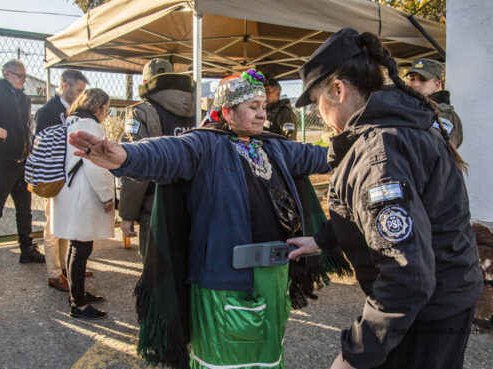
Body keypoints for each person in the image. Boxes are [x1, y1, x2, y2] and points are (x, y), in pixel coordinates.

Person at [68, 69, 331, 368]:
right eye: (253, 107)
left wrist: (356, 145)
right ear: (228, 112)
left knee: (268, 353)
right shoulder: (204, 145)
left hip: (274, 273)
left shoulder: (274, 146)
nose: (262, 115)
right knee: (222, 359)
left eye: (263, 107)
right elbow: (165, 151)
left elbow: (317, 156)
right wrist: (126, 157)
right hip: (222, 278)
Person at [288, 28, 483, 369]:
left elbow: (407, 275)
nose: (319, 116)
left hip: (427, 315)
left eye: (318, 102)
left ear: (338, 89)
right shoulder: (400, 125)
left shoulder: (379, 150)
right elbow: (378, 213)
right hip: (450, 295)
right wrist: (322, 239)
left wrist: (356, 355)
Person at [119, 58, 194, 258]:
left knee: (155, 277)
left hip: (156, 209)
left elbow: (134, 167)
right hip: (193, 205)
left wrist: (127, 214)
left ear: (145, 83)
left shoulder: (141, 112)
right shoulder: (198, 110)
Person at [51, 88, 115, 320]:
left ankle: (76, 294)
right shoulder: (90, 126)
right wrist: (108, 195)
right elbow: (95, 165)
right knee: (81, 248)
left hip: (70, 191)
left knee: (75, 245)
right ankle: (78, 305)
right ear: (98, 106)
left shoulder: (71, 121)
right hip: (83, 194)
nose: (106, 114)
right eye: (106, 108)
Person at [0, 59, 44, 276]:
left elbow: (27, 125)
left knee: (25, 210)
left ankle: (26, 250)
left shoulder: (25, 99)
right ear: (7, 74)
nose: (24, 80)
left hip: (22, 161)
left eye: (25, 76)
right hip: (2, 161)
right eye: (20, 76)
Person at [34, 69, 89, 291]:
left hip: (70, 176)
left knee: (65, 223)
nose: (81, 96)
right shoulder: (47, 112)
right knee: (52, 227)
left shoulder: (76, 111)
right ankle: (54, 274)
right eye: (78, 91)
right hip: (54, 177)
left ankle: (67, 267)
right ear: (64, 86)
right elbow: (39, 147)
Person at [406, 58, 463, 148]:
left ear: (437, 84)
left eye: (423, 79)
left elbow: (435, 149)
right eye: (412, 79)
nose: (416, 84)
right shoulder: (405, 107)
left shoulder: (445, 115)